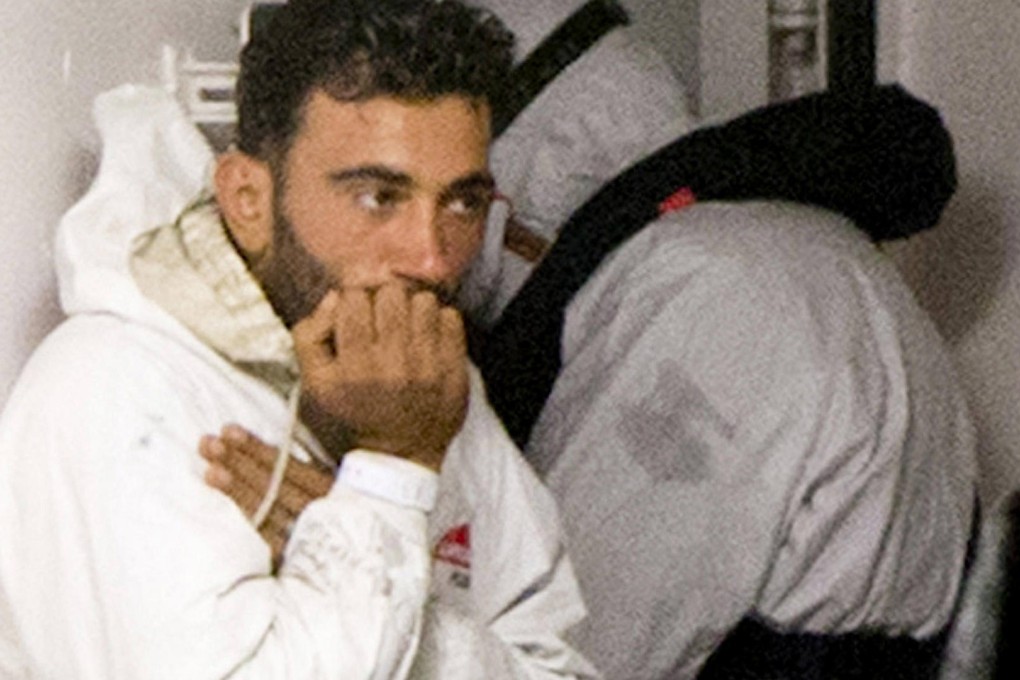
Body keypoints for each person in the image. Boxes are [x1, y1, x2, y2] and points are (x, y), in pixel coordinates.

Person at [202, 1, 977, 678]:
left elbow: (587, 655)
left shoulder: (710, 300)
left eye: (465, 202)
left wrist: (353, 544)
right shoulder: (777, 254)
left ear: (521, 199)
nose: (435, 262)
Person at [0, 1, 597, 678]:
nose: (431, 259)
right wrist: (393, 471)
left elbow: (565, 668)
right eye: (379, 196)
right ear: (249, 200)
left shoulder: (424, 389)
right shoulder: (110, 395)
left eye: (461, 202)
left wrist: (364, 536)